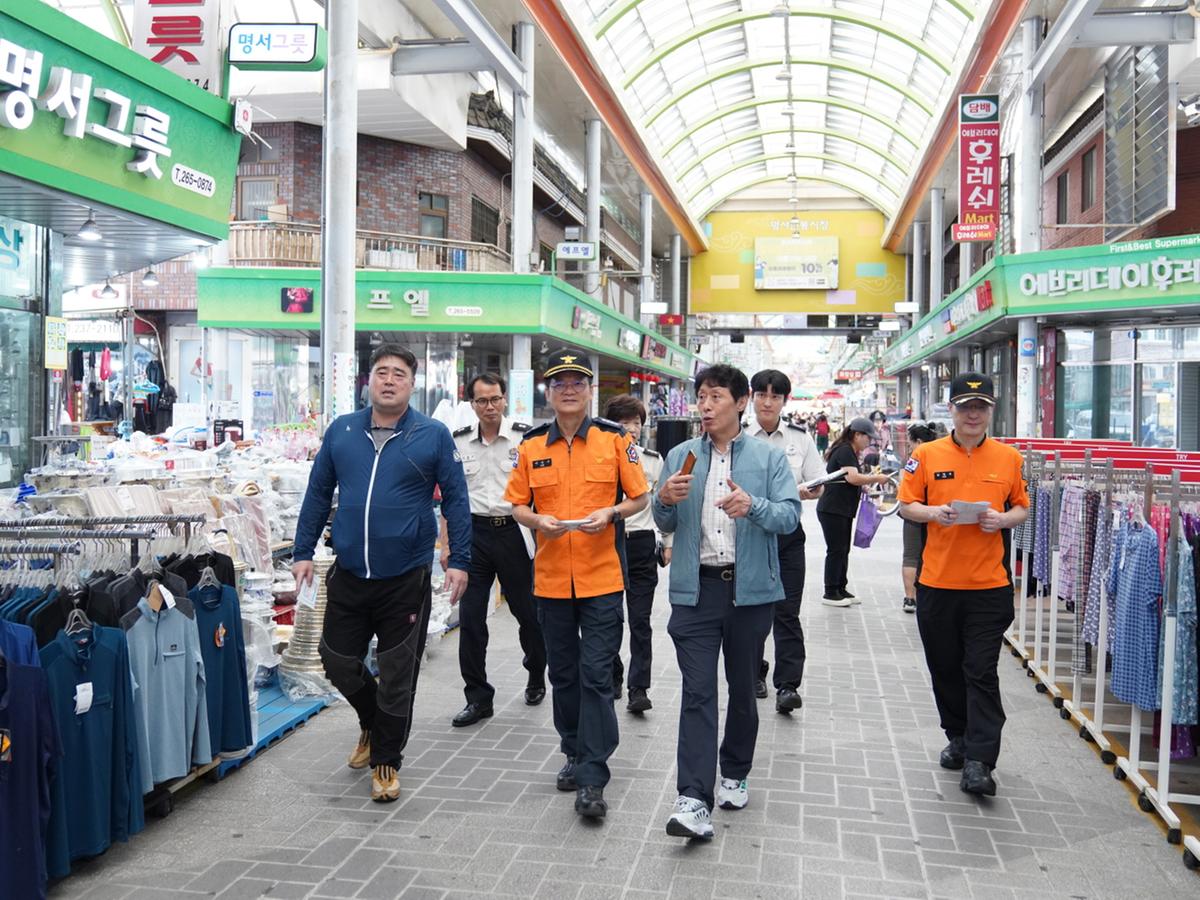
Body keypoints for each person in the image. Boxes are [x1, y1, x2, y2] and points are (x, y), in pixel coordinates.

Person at [292, 344, 471, 803]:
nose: (388, 380)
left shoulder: (432, 435)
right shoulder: (343, 431)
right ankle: (372, 721)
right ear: (368, 380)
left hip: (405, 577)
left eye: (399, 374)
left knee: (396, 673)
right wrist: (302, 550)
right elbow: (317, 493)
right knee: (336, 659)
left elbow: (455, 500)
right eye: (381, 372)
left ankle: (386, 760)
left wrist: (461, 560)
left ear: (412, 385)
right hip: (349, 571)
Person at [652, 364, 800, 840]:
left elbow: (790, 517)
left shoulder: (768, 458)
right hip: (695, 592)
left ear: (741, 403)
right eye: (701, 397)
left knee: (741, 687)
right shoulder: (680, 454)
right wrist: (665, 499)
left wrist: (752, 506)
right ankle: (694, 799)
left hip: (749, 593)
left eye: (716, 396)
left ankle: (735, 770)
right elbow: (664, 520)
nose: (706, 405)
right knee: (697, 692)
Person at [504, 350, 649, 820]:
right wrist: (536, 520)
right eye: (559, 382)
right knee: (562, 676)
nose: (569, 389)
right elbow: (516, 505)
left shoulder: (614, 440)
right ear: (548, 392)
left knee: (595, 675)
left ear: (590, 391)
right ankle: (572, 749)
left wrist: (611, 513)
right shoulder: (530, 447)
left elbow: (640, 496)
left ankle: (592, 775)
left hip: (602, 579)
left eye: (577, 381)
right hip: (549, 583)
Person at [898, 373, 1028, 797]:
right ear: (951, 410)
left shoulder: (1009, 458)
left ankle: (980, 760)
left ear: (992, 411)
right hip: (937, 584)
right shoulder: (926, 454)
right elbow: (905, 505)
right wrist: (934, 514)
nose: (974, 414)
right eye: (966, 406)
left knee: (981, 670)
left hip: (988, 587)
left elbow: (1022, 508)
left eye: (982, 407)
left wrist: (1002, 520)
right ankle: (958, 736)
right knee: (945, 667)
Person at [444, 373, 546, 728]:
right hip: (474, 536)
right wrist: (448, 545)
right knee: (471, 620)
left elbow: (540, 491)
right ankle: (478, 698)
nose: (489, 407)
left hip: (515, 535)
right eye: (481, 401)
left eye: (495, 399)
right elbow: (449, 498)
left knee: (529, 615)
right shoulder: (458, 443)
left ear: (505, 399)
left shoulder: (526, 438)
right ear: (471, 404)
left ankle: (536, 673)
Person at [744, 369, 825, 713]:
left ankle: (788, 685)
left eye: (775, 396)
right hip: (747, 538)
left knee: (787, 612)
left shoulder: (800, 439)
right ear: (750, 397)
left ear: (784, 401)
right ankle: (753, 673)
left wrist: (811, 490)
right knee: (751, 613)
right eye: (761, 394)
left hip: (788, 537)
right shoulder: (738, 434)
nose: (767, 402)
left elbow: (818, 482)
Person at [604, 393, 671, 714]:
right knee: (610, 616)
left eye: (637, 422)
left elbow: (663, 503)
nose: (632, 428)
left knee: (641, 621)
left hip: (642, 543)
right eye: (624, 422)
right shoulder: (599, 457)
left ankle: (638, 688)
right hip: (606, 544)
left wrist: (668, 540)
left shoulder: (653, 460)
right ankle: (614, 673)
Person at [815, 417, 891, 607]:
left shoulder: (850, 451)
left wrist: (867, 489)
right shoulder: (845, 450)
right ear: (857, 435)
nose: (869, 442)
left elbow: (851, 480)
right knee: (836, 550)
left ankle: (841, 587)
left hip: (842, 509)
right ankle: (830, 591)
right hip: (833, 509)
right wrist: (876, 477)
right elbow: (853, 478)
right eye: (868, 438)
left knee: (843, 550)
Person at [900, 423, 938, 614]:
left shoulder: (915, 459)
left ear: (919, 442)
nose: (909, 447)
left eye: (910, 443)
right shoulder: (943, 455)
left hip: (915, 513)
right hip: (938, 514)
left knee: (911, 555)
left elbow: (905, 487)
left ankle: (910, 598)